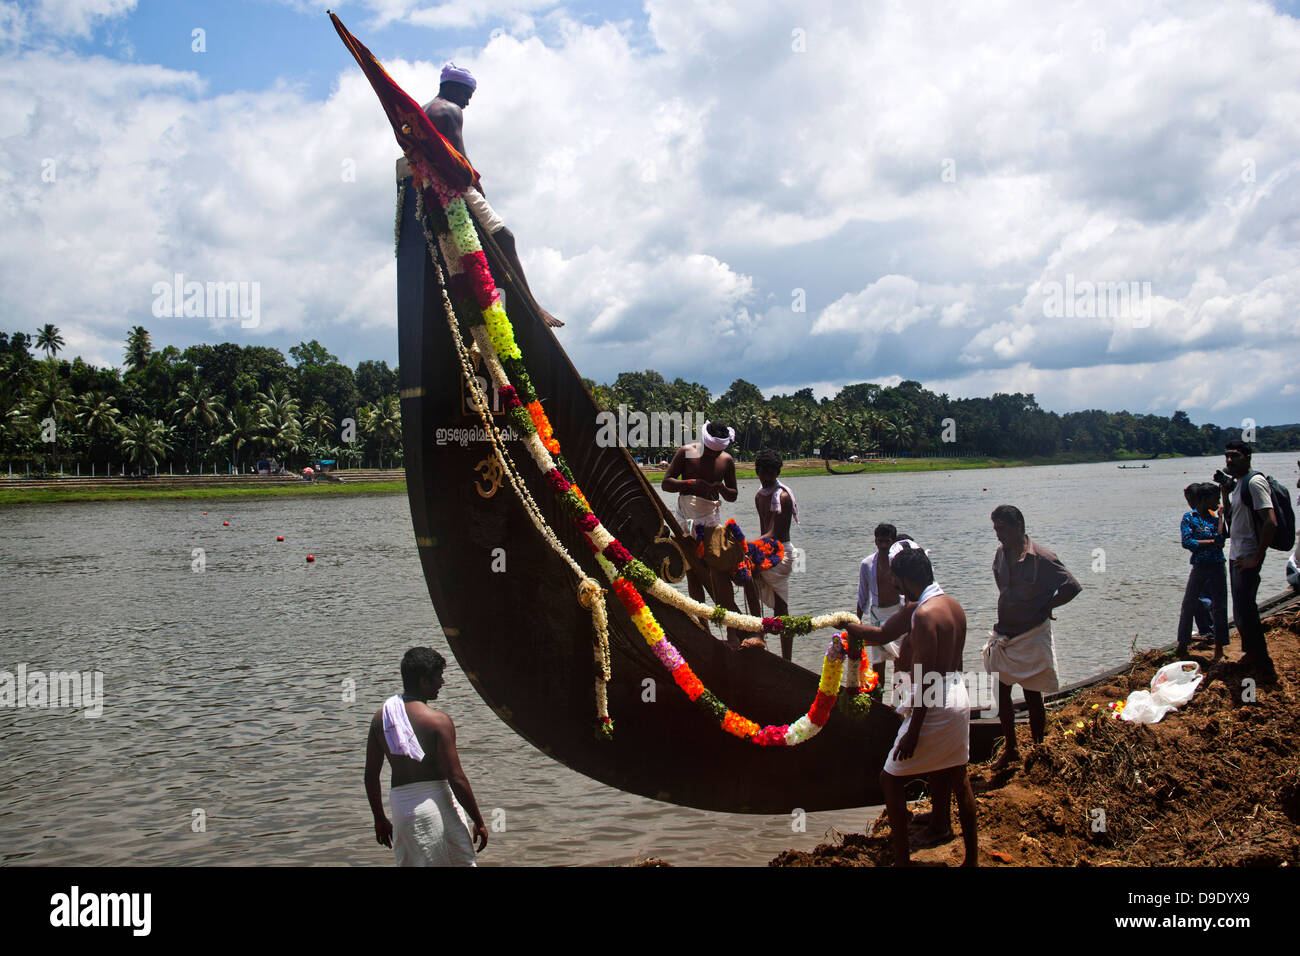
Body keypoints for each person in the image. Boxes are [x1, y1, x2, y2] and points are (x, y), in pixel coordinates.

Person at [844, 545, 977, 866]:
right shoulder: (951, 605)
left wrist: (913, 732)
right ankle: (971, 860)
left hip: (936, 702)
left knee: (890, 780)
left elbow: (927, 677)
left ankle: (902, 860)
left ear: (907, 580)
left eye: (896, 580)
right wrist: (846, 626)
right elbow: (882, 633)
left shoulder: (925, 615)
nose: (894, 587)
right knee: (959, 781)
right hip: (959, 695)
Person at [416, 62, 563, 329]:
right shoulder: (449, 110)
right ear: (454, 87)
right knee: (505, 238)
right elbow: (460, 159)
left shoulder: (424, 108)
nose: (467, 102)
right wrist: (478, 188)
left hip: (428, 186)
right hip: (452, 188)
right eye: (467, 95)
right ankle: (533, 304)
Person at [365, 647, 488, 866]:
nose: (442, 682)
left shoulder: (381, 718)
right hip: (436, 803)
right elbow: (456, 777)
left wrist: (379, 818)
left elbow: (371, 776)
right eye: (438, 677)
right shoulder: (438, 721)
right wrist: (479, 821)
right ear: (424, 681)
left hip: (403, 807)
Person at [982, 505, 1081, 769]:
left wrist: (1048, 606)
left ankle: (1038, 747)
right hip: (1006, 634)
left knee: (1032, 694)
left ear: (1019, 527)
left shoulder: (1042, 558)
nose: (998, 534)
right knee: (1001, 692)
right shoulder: (1000, 555)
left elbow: (1072, 586)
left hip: (1031, 634)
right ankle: (1011, 748)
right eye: (995, 528)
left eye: (1002, 528)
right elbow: (1002, 586)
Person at [662, 421, 759, 646]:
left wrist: (722, 489)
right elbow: (666, 484)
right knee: (693, 574)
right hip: (684, 520)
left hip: (711, 520)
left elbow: (733, 494)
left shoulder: (726, 460)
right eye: (712, 449)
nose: (715, 453)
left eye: (719, 450)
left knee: (720, 573)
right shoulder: (686, 452)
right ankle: (703, 628)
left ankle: (733, 631)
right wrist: (690, 483)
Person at [1220, 440, 1277, 674]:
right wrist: (1225, 492)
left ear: (1247, 457)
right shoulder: (1239, 484)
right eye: (1227, 456)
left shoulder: (1255, 482)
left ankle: (1261, 660)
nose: (1229, 461)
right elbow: (1234, 518)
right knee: (1241, 608)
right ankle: (1252, 653)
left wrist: (1256, 556)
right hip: (1237, 554)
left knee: (1246, 608)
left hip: (1248, 555)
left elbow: (1270, 522)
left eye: (1234, 456)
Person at [753, 448, 798, 658]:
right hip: (768, 550)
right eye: (765, 471)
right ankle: (757, 632)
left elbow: (775, 533)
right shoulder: (759, 495)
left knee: (781, 607)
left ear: (778, 472)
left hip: (782, 552)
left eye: (772, 472)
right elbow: (765, 531)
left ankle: (784, 656)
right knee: (746, 577)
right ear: (757, 472)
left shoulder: (783, 497)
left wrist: (749, 546)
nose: (768, 476)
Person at [1177, 483, 1228, 662]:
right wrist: (1212, 541)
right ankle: (1182, 644)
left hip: (1217, 565)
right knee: (1189, 604)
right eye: (1216, 498)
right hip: (1200, 566)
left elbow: (1222, 540)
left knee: (1220, 607)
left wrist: (1221, 518)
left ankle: (1220, 648)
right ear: (1205, 499)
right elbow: (1188, 542)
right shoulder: (1190, 517)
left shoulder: (1215, 518)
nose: (1218, 502)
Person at [857, 523, 905, 691]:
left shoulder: (899, 563)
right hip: (877, 615)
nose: (883, 545)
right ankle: (878, 699)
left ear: (893, 542)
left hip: (898, 614)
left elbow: (907, 592)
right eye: (880, 541)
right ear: (875, 541)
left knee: (900, 662)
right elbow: (862, 595)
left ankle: (898, 703)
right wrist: (857, 622)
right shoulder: (867, 564)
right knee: (878, 664)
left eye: (887, 541)